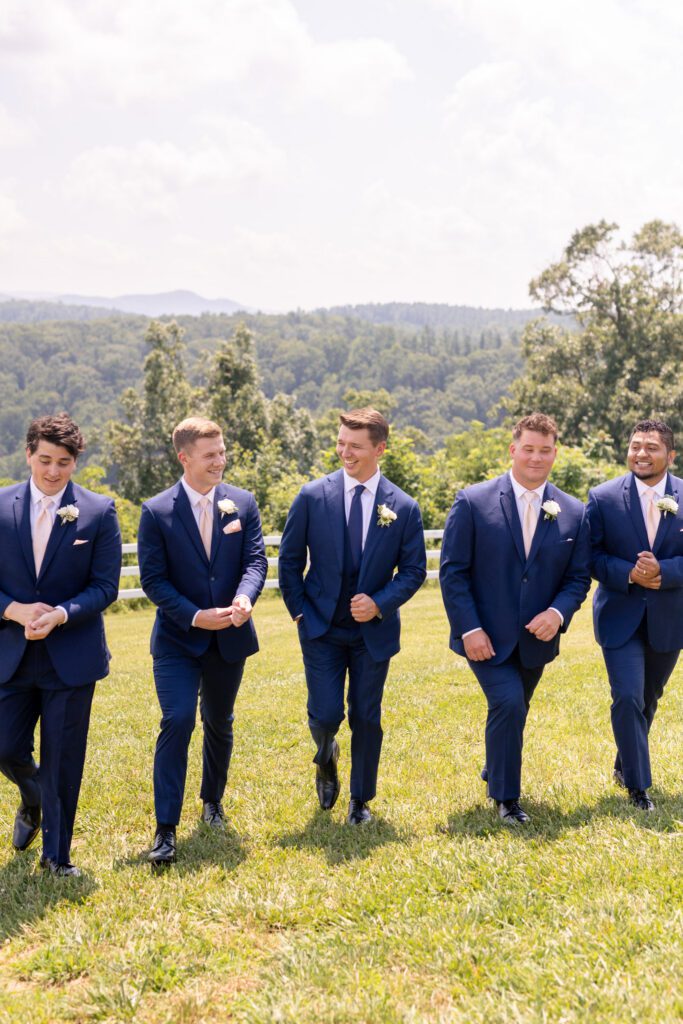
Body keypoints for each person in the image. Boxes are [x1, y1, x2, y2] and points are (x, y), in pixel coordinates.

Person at [440, 413, 591, 824]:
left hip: (536, 639)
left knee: (515, 707)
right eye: (528, 449)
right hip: (483, 635)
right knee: (508, 703)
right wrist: (469, 629)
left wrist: (558, 613)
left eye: (545, 450)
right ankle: (507, 800)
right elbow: (453, 572)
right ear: (513, 449)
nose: (536, 458)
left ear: (555, 453)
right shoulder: (472, 501)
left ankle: (496, 764)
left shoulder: (574, 512)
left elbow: (578, 578)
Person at [278, 408, 426, 824]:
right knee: (325, 714)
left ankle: (361, 800)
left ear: (379, 449)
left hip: (373, 632)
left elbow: (414, 571)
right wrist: (299, 615)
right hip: (320, 627)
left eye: (355, 446)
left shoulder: (405, 507)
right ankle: (326, 756)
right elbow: (289, 562)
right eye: (341, 443)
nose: (345, 452)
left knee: (366, 715)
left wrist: (380, 602)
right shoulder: (311, 496)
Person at [137, 417, 267, 868]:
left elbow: (255, 560)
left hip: (230, 634)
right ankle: (166, 829)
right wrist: (195, 616)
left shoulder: (243, 502)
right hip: (177, 638)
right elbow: (153, 580)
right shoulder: (156, 511)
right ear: (184, 457)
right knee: (177, 720)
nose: (220, 460)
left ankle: (212, 802)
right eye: (210, 454)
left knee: (220, 720)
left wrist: (244, 598)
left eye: (222, 451)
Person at [0, 413, 121, 875]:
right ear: (28, 453)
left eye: (64, 462)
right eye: (45, 459)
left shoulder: (98, 510)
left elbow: (105, 587)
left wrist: (60, 614)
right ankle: (31, 796)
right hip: (10, 653)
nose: (53, 471)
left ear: (76, 462)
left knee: (63, 759)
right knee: (5, 746)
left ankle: (58, 857)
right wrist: (15, 611)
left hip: (71, 656)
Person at [587, 419, 683, 811]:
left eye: (652, 447)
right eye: (636, 446)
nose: (641, 453)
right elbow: (590, 557)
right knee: (626, 695)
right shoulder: (603, 497)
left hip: (669, 617)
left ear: (670, 455)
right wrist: (629, 572)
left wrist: (667, 572)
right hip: (619, 614)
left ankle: (625, 765)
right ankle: (639, 788)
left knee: (647, 698)